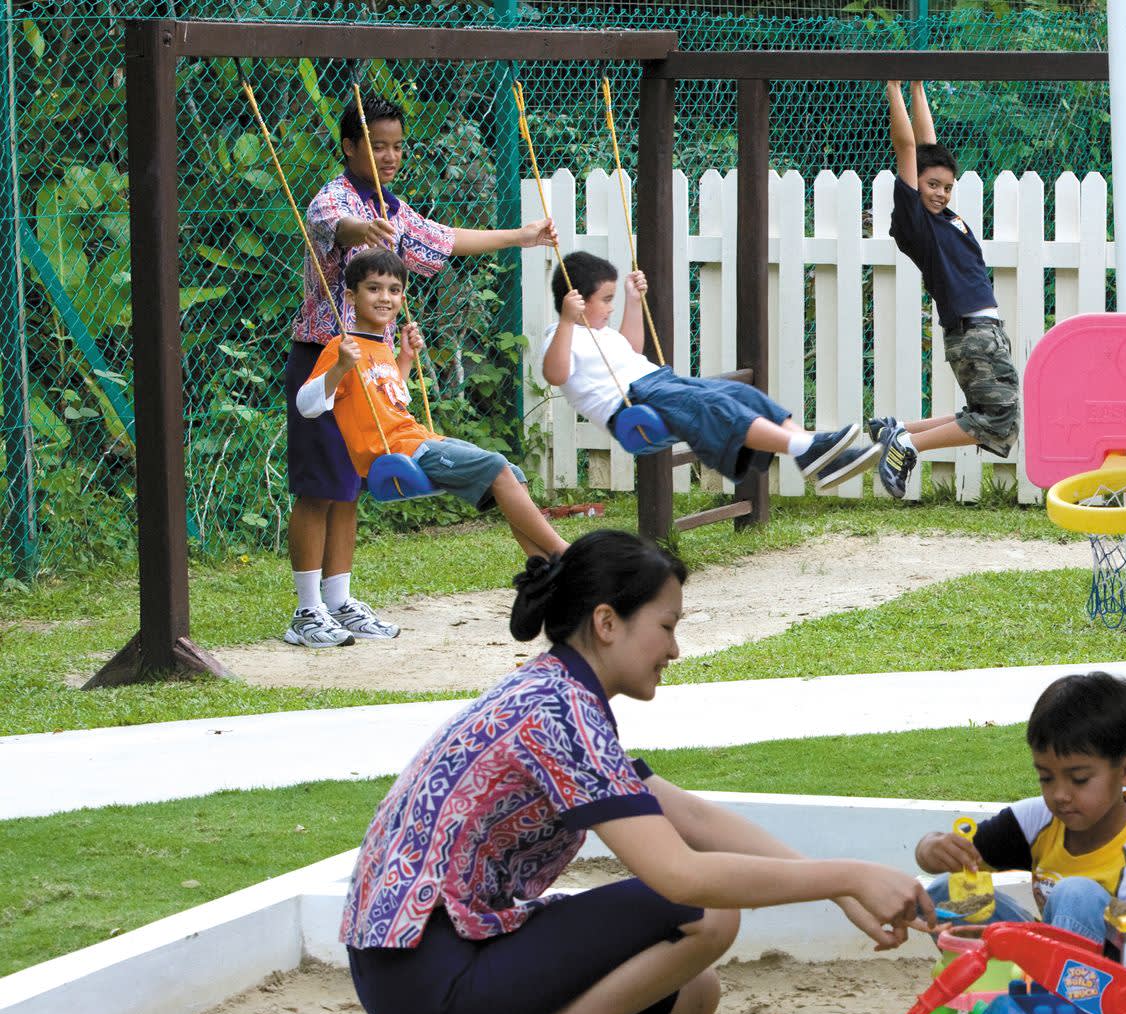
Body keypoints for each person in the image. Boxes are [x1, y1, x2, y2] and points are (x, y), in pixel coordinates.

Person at [341, 529, 933, 1014]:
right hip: (431, 974)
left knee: (690, 999)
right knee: (703, 913)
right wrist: (855, 873)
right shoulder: (562, 713)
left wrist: (839, 889)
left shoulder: (553, 692)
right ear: (607, 622)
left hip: (401, 973)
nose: (675, 649)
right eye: (667, 625)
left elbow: (691, 815)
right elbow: (682, 876)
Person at [282, 93, 557, 649]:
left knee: (348, 486)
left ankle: (339, 600)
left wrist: (523, 237)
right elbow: (329, 225)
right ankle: (307, 610)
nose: (389, 156)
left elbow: (447, 239)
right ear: (350, 147)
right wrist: (361, 231)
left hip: (375, 364)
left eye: (397, 147)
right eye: (377, 146)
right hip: (326, 355)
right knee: (318, 488)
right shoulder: (335, 199)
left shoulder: (396, 207)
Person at [298, 251, 566, 563]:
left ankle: (543, 567)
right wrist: (339, 368)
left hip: (420, 440)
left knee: (512, 474)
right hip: (398, 452)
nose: (385, 297)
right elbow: (307, 405)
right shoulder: (341, 348)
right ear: (350, 296)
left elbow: (388, 398)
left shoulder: (382, 348)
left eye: (394, 290)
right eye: (373, 288)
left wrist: (406, 358)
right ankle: (566, 554)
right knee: (495, 466)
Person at [540, 252, 880, 491]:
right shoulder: (561, 335)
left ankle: (810, 453)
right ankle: (808, 448)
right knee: (714, 408)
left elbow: (631, 351)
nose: (611, 306)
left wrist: (632, 301)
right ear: (578, 301)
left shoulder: (601, 332)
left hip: (658, 381)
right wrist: (568, 321)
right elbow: (556, 375)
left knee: (739, 394)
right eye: (607, 299)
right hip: (631, 403)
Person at [913, 672, 1126, 943]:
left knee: (1075, 893)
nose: (1060, 794)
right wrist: (932, 847)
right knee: (944, 892)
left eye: (1079, 779)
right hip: (1038, 958)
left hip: (1106, 978)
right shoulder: (1036, 819)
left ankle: (1053, 982)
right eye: (1046, 777)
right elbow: (961, 856)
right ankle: (994, 977)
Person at [872, 80, 1023, 501]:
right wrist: (894, 86)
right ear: (913, 185)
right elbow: (908, 148)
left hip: (983, 331)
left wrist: (919, 86)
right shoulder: (914, 223)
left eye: (946, 186)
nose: (939, 192)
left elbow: (925, 145)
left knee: (988, 414)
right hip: (972, 331)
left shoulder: (945, 217)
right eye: (931, 185)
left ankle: (897, 430)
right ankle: (907, 444)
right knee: (999, 417)